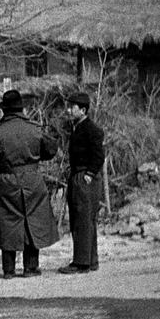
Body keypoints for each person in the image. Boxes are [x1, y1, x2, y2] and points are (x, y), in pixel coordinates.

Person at [0, 90, 60, 279]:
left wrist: (0, 162)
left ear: (4, 111)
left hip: (8, 180)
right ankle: (31, 268)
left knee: (9, 222)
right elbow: (51, 149)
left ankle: (8, 270)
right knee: (33, 219)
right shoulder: (35, 128)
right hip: (33, 179)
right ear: (21, 108)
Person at [59, 93, 106, 274]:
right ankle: (90, 260)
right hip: (79, 176)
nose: (69, 110)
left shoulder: (91, 129)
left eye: (73, 107)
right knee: (82, 220)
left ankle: (82, 263)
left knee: (83, 220)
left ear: (83, 110)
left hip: (85, 179)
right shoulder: (78, 128)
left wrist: (89, 174)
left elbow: (99, 155)